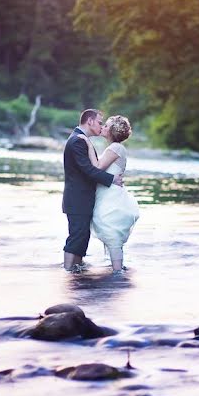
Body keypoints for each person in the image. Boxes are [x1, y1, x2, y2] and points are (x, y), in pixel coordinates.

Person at [62, 109, 123, 272]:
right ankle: (68, 271)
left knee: (82, 237)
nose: (101, 126)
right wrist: (112, 179)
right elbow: (88, 170)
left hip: (81, 199)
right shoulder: (77, 141)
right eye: (99, 122)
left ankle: (75, 270)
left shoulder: (80, 139)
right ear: (90, 121)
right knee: (76, 237)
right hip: (77, 199)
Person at [78, 115, 140, 273]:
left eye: (106, 126)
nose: (103, 127)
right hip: (107, 193)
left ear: (112, 131)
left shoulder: (116, 148)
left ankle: (117, 272)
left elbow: (97, 167)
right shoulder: (114, 148)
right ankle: (118, 271)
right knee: (111, 232)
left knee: (111, 231)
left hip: (111, 196)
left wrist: (88, 145)